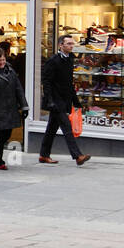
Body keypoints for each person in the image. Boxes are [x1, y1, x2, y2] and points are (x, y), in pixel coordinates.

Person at [39, 34, 90, 166]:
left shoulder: (70, 60)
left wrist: (76, 101)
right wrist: (49, 100)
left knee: (51, 129)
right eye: (68, 44)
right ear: (61, 45)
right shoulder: (53, 60)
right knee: (67, 127)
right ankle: (78, 156)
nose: (71, 46)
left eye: (72, 44)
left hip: (64, 99)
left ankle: (44, 155)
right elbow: (47, 81)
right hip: (56, 101)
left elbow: (69, 83)